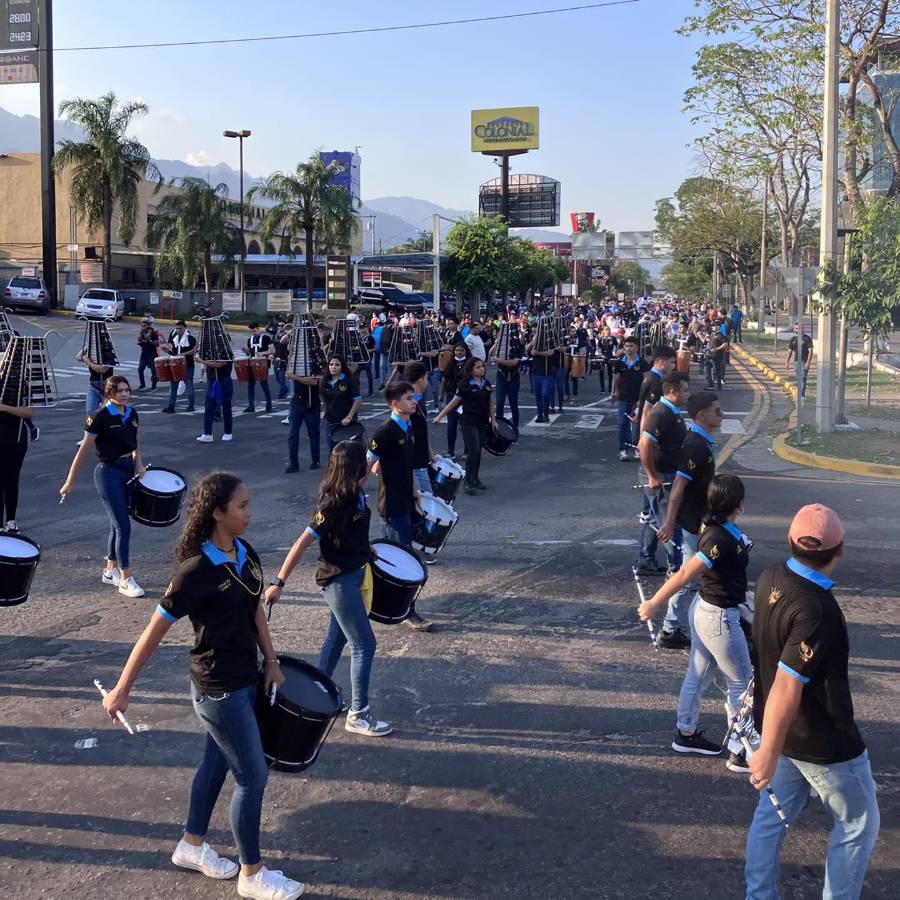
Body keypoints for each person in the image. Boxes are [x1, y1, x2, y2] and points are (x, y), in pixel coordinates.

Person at [101, 472, 305, 900]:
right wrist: (122, 689)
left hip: (246, 677)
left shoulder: (245, 552)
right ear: (217, 513)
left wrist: (270, 661)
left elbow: (256, 612)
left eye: (249, 505)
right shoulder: (194, 572)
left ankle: (191, 845)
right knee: (252, 777)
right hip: (218, 691)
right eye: (242, 507)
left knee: (215, 766)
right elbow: (152, 633)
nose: (250, 513)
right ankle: (252, 874)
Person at [745, 504, 879, 899]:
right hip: (822, 742)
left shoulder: (771, 576)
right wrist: (767, 752)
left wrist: (770, 743)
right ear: (839, 552)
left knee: (770, 818)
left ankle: (758, 894)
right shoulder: (816, 608)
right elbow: (788, 684)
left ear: (790, 540)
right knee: (858, 825)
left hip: (779, 728)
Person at [267, 443, 393, 739]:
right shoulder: (333, 504)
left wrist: (366, 550)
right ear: (353, 468)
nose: (367, 462)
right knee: (364, 644)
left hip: (354, 573)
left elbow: (351, 533)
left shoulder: (357, 493)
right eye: (363, 459)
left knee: (336, 639)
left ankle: (314, 697)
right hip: (338, 580)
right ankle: (358, 714)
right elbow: (302, 543)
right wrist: (279, 582)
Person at [639, 474, 753, 769]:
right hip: (718, 617)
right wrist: (654, 603)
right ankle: (742, 752)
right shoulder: (717, 537)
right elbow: (685, 573)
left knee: (698, 676)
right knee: (742, 682)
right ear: (739, 504)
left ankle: (685, 733)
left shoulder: (720, 527)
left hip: (706, 610)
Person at [60, 375, 146, 598]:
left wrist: (139, 464)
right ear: (109, 394)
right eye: (119, 391)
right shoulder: (98, 417)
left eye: (127, 390)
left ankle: (109, 572)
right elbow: (83, 451)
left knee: (115, 523)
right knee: (123, 527)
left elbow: (135, 443)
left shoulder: (132, 413)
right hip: (108, 473)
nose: (125, 394)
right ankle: (126, 578)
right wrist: (70, 482)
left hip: (128, 469)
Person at [656, 392, 723, 649]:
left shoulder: (702, 440)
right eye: (716, 410)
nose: (720, 414)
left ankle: (705, 622)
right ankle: (671, 628)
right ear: (702, 415)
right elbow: (679, 486)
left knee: (702, 575)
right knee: (688, 576)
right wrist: (669, 522)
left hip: (702, 519)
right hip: (694, 521)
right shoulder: (695, 445)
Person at [637, 372, 689, 589]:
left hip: (664, 473)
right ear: (673, 392)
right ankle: (675, 569)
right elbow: (644, 444)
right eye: (685, 390)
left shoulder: (671, 411)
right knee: (670, 523)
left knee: (653, 520)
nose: (688, 394)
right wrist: (652, 475)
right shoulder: (661, 412)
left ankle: (646, 559)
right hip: (660, 475)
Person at [435, 357, 497, 496]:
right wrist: (440, 416)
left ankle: (475, 478)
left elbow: (490, 403)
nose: (482, 369)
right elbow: (454, 402)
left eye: (482, 366)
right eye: (478, 367)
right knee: (473, 450)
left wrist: (493, 420)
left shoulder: (486, 384)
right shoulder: (464, 385)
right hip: (468, 422)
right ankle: (467, 482)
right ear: (471, 370)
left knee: (478, 451)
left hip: (482, 421)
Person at [0, 399, 35, 533]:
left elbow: (28, 412)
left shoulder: (18, 385)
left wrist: (4, 407)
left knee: (12, 480)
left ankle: (10, 521)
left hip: (16, 437)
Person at [611, 336, 648, 461]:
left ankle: (638, 447)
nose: (628, 348)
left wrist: (642, 398)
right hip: (624, 397)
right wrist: (615, 391)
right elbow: (616, 378)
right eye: (626, 346)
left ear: (637, 347)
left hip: (638, 398)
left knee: (638, 425)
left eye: (631, 346)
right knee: (623, 424)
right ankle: (623, 449)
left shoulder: (642, 363)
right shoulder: (620, 362)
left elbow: (646, 381)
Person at [321, 355, 362, 453]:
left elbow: (357, 400)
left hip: (346, 421)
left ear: (342, 366)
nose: (333, 367)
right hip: (330, 421)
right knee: (332, 450)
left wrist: (349, 417)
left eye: (337, 365)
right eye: (331, 364)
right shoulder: (325, 381)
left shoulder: (349, 380)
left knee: (348, 451)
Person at [439, 342, 470, 457]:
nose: (459, 352)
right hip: (451, 396)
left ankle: (467, 451)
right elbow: (444, 379)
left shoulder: (470, 363)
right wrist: (441, 394)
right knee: (451, 424)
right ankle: (450, 451)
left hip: (466, 398)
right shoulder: (450, 363)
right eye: (457, 350)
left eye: (461, 350)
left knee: (465, 425)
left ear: (466, 351)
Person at [285, 372, 321, 473]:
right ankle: (293, 462)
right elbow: (288, 374)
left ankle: (315, 460)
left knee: (313, 433)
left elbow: (314, 382)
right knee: (293, 434)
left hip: (311, 402)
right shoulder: (296, 360)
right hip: (297, 401)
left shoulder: (316, 359)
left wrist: (295, 377)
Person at [195, 353, 234, 444]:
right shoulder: (210, 349)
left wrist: (202, 361)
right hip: (212, 380)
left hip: (223, 380)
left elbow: (219, 364)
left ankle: (228, 432)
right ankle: (208, 434)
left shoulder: (225, 349)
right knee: (209, 407)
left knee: (226, 407)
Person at [492, 324, 524, 429]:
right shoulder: (500, 345)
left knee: (513, 403)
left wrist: (498, 360)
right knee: (500, 403)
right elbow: (490, 355)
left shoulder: (517, 346)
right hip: (501, 376)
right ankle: (500, 427)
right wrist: (497, 342)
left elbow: (513, 362)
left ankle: (515, 427)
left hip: (513, 377)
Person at [162, 320, 197, 414]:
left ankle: (191, 405)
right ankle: (171, 406)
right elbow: (174, 353)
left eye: (180, 328)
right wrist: (167, 351)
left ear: (185, 328)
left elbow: (195, 350)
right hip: (176, 366)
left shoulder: (190, 338)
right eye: (177, 329)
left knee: (189, 386)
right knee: (173, 387)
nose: (178, 330)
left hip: (188, 366)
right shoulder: (175, 339)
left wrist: (182, 354)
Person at [242, 322, 274, 414]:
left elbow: (272, 350)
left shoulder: (266, 338)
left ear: (258, 329)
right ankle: (251, 405)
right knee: (250, 385)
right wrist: (246, 351)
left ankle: (269, 405)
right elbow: (250, 353)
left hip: (263, 364)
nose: (252, 333)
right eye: (251, 331)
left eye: (254, 331)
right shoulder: (250, 339)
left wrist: (262, 353)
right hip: (252, 364)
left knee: (264, 385)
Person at [76, 349, 113, 417]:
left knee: (112, 411)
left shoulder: (108, 352)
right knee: (90, 411)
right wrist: (88, 346)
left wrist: (88, 362)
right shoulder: (92, 350)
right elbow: (78, 357)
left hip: (107, 388)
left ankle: (114, 426)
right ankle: (89, 426)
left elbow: (102, 369)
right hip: (93, 386)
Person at [785, 322, 814, 398]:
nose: (798, 330)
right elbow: (790, 351)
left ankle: (801, 396)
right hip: (796, 362)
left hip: (804, 362)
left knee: (803, 378)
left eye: (799, 328)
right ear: (794, 329)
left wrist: (808, 363)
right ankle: (800, 394)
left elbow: (810, 351)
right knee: (799, 379)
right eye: (796, 328)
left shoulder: (807, 338)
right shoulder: (793, 339)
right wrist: (787, 362)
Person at [136, 318, 160, 391]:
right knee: (140, 369)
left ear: (148, 326)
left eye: (145, 325)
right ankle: (143, 385)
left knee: (153, 371)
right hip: (144, 354)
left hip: (152, 354)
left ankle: (154, 386)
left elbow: (157, 344)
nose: (143, 327)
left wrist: (150, 340)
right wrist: (140, 341)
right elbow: (140, 343)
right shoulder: (141, 333)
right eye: (142, 325)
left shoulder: (153, 334)